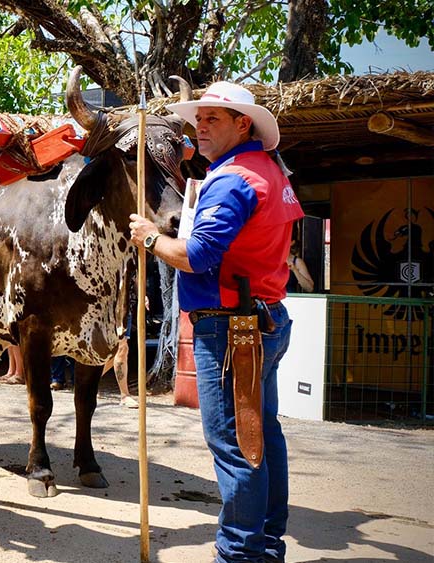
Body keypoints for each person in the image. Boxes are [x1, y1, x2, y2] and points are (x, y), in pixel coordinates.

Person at [129, 81, 303, 563]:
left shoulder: (231, 179)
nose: (201, 127)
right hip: (262, 318)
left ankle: (240, 555)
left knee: (235, 444)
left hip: (232, 329)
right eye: (199, 119)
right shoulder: (269, 171)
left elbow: (197, 255)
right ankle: (265, 546)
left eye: (214, 119)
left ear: (242, 124)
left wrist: (148, 238)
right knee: (261, 437)